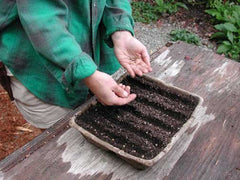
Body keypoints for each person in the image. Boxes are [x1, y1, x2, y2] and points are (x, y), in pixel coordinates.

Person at [0, 0, 152, 129]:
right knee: (60, 141)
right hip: (39, 67)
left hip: (88, 50)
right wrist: (87, 73)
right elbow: (43, 23)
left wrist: (121, 32)